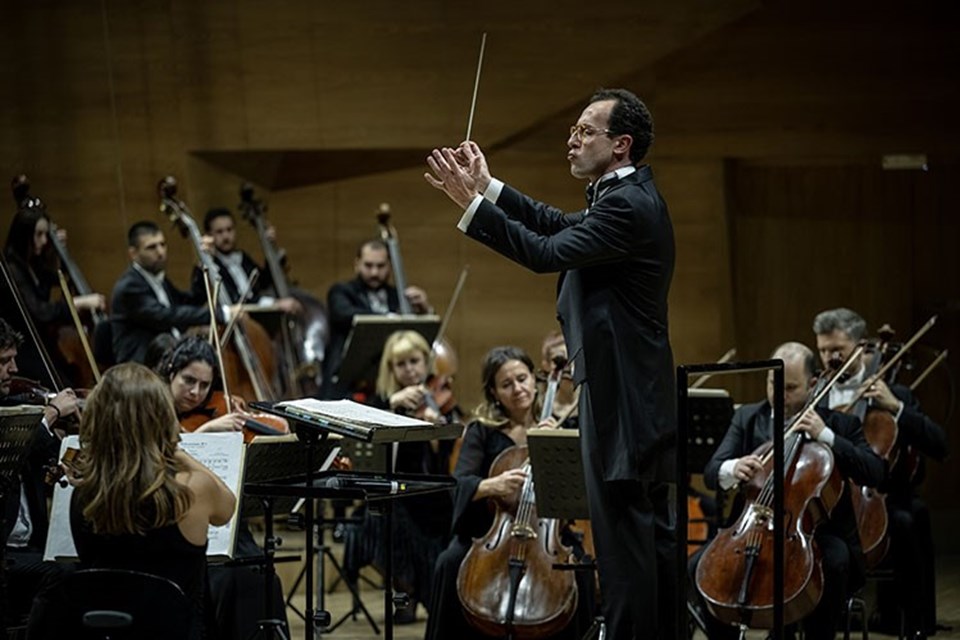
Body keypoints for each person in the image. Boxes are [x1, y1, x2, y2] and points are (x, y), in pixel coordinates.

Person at [425, 87, 677, 638]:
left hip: (626, 406)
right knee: (642, 550)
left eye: (586, 130)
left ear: (621, 145)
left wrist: (469, 206)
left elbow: (545, 254)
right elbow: (554, 224)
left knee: (628, 559)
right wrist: (488, 187)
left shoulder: (630, 205)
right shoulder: (618, 197)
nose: (573, 138)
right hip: (626, 399)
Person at [690, 342, 886, 639]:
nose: (779, 394)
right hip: (750, 529)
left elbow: (875, 472)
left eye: (790, 387)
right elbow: (710, 472)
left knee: (834, 561)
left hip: (814, 534)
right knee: (696, 569)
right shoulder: (747, 419)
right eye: (773, 383)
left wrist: (827, 436)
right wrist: (731, 468)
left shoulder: (841, 424)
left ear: (812, 384)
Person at [46, 362, 236, 639]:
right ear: (161, 417)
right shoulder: (192, 489)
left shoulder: (84, 495)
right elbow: (226, 508)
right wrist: (174, 448)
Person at [425, 346, 591, 640]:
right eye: (506, 384)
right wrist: (493, 485)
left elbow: (579, 488)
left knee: (578, 566)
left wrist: (553, 444)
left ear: (534, 380)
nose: (517, 389)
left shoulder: (559, 425)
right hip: (492, 530)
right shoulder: (482, 431)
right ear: (494, 393)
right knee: (449, 562)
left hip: (545, 534)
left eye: (522, 378)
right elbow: (458, 483)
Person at [813, 308, 947, 638]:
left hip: (878, 496)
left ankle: (913, 619)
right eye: (823, 350)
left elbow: (939, 445)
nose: (830, 358)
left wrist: (896, 408)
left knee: (908, 517)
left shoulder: (892, 391)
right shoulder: (816, 393)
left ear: (861, 347)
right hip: (827, 497)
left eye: (838, 351)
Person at [342, 330, 459, 624]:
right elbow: (363, 445)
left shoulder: (440, 399)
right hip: (393, 494)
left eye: (415, 361)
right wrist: (391, 407)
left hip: (430, 497)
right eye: (401, 364)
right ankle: (405, 588)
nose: (410, 369)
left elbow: (452, 454)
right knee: (375, 519)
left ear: (426, 362)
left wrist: (436, 430)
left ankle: (422, 590)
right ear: (390, 369)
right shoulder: (380, 401)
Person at [0, 317, 80, 627]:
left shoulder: (19, 407)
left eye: (14, 359)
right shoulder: (16, 421)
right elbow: (17, 441)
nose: (14, 369)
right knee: (63, 573)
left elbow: (55, 463)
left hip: (32, 546)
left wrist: (66, 442)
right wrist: (50, 414)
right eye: (4, 361)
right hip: (6, 550)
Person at [3, 203, 106, 383]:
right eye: (39, 234)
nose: (44, 241)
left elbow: (59, 278)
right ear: (24, 236)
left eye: (46, 234)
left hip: (42, 345)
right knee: (61, 383)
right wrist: (79, 303)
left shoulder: (32, 265)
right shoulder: (13, 269)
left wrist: (56, 251)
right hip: (25, 348)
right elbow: (41, 312)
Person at [323, 238, 432, 398]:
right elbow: (343, 313)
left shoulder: (399, 297)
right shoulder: (341, 292)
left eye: (380, 266)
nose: (374, 272)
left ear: (389, 265)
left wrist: (425, 311)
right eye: (368, 265)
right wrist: (390, 317)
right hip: (346, 384)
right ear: (357, 264)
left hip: (390, 387)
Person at [110, 221, 219, 364]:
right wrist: (220, 314)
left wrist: (203, 263)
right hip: (142, 367)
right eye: (151, 247)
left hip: (166, 358)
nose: (160, 252)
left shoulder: (158, 279)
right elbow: (166, 315)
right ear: (133, 253)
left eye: (163, 244)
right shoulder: (130, 286)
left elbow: (190, 302)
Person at [190, 207, 302, 313]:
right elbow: (233, 300)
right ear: (209, 235)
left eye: (229, 230)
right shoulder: (210, 265)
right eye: (219, 232)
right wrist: (274, 304)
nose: (226, 236)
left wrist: (272, 248)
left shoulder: (242, 258)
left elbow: (264, 282)